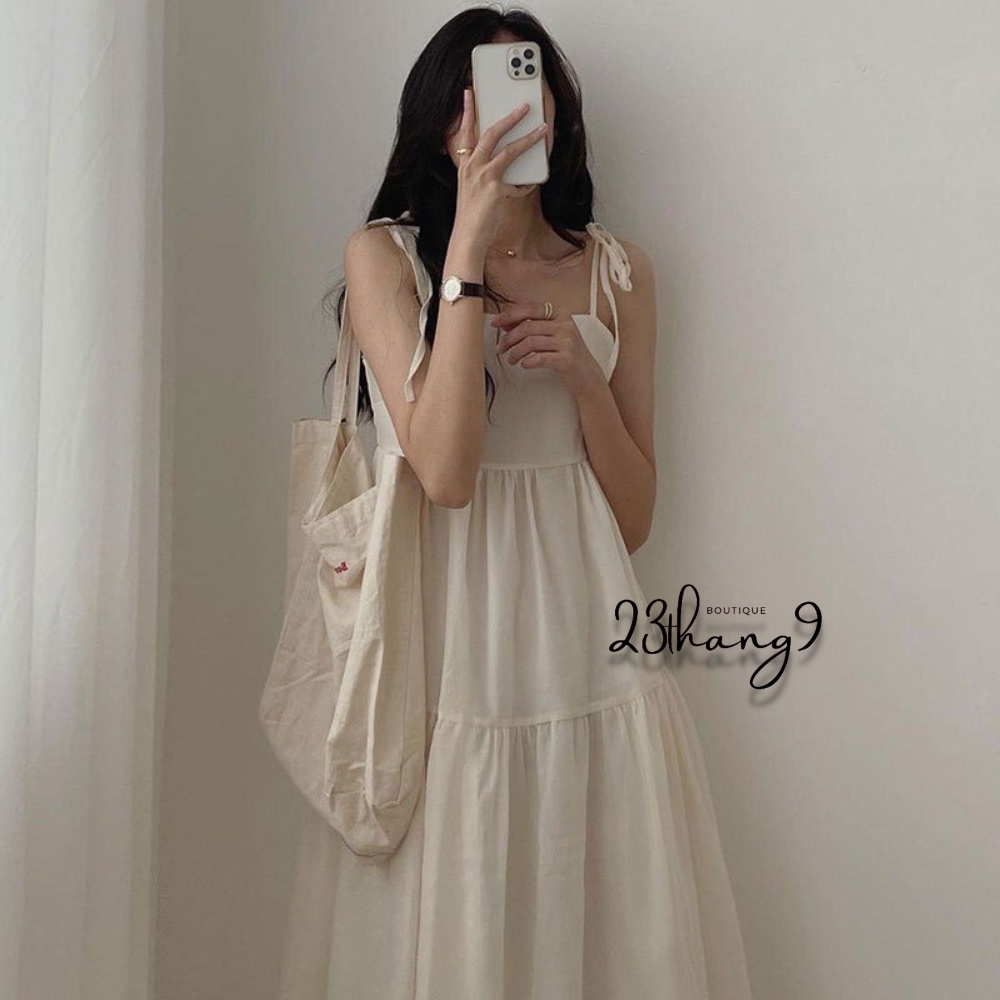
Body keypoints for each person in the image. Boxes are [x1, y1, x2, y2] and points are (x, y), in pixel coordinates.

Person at [276, 7, 753, 999]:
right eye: (470, 96)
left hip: (582, 629)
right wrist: (466, 251)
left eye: (517, 88)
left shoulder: (618, 271)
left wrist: (583, 378)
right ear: (438, 122)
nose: (494, 116)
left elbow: (633, 519)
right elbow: (447, 472)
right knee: (455, 878)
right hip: (446, 635)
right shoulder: (386, 258)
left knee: (599, 902)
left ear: (554, 112)